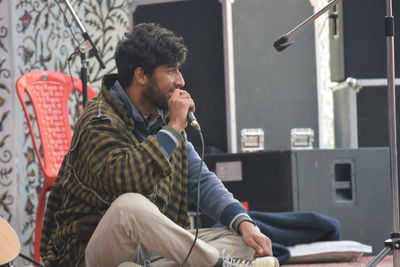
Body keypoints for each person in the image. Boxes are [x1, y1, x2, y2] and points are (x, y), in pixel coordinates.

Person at [40, 23, 279, 267]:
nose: (181, 81)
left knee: (242, 243)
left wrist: (244, 223)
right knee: (129, 206)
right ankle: (216, 265)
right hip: (89, 253)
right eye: (172, 71)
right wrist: (174, 128)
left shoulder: (160, 120)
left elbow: (201, 180)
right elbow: (128, 183)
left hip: (146, 252)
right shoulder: (99, 120)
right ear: (142, 75)